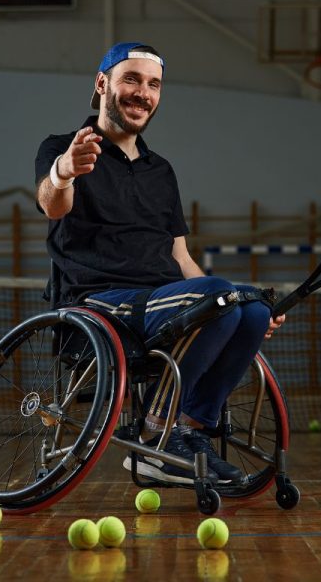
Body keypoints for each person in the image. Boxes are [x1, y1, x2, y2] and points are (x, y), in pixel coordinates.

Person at [35, 42, 285, 485]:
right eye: (131, 79)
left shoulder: (161, 171)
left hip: (164, 298)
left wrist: (245, 302)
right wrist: (65, 171)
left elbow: (181, 256)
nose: (142, 93)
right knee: (219, 299)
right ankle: (155, 438)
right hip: (101, 304)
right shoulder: (63, 148)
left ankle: (188, 432)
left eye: (153, 84)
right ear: (102, 85)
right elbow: (53, 206)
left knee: (250, 307)